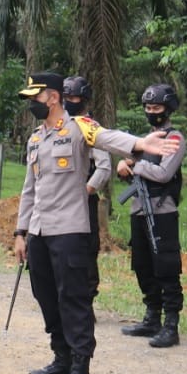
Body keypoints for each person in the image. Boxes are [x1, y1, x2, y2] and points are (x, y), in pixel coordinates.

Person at [14, 72, 182, 374]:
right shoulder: (36, 138)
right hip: (38, 232)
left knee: (73, 299)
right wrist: (20, 232)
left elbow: (109, 138)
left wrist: (139, 144)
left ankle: (80, 368)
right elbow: (29, 190)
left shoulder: (80, 128)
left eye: (35, 96)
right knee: (46, 297)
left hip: (69, 231)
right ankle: (60, 357)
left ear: (52, 96)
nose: (31, 103)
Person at [116, 83, 187, 348]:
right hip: (138, 208)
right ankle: (151, 317)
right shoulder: (145, 140)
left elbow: (163, 173)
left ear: (168, 109)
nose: (151, 112)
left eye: (156, 107)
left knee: (166, 265)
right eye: (147, 107)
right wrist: (123, 166)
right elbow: (125, 164)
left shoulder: (174, 138)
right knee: (142, 264)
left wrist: (134, 164)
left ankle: (171, 324)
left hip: (162, 210)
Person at [62, 75, 112, 300]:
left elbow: (104, 167)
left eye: (75, 97)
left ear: (84, 100)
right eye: (66, 97)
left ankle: (87, 297)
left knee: (86, 249)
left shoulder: (91, 128)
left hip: (83, 199)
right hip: (59, 198)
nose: (70, 101)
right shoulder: (58, 126)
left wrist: (86, 191)